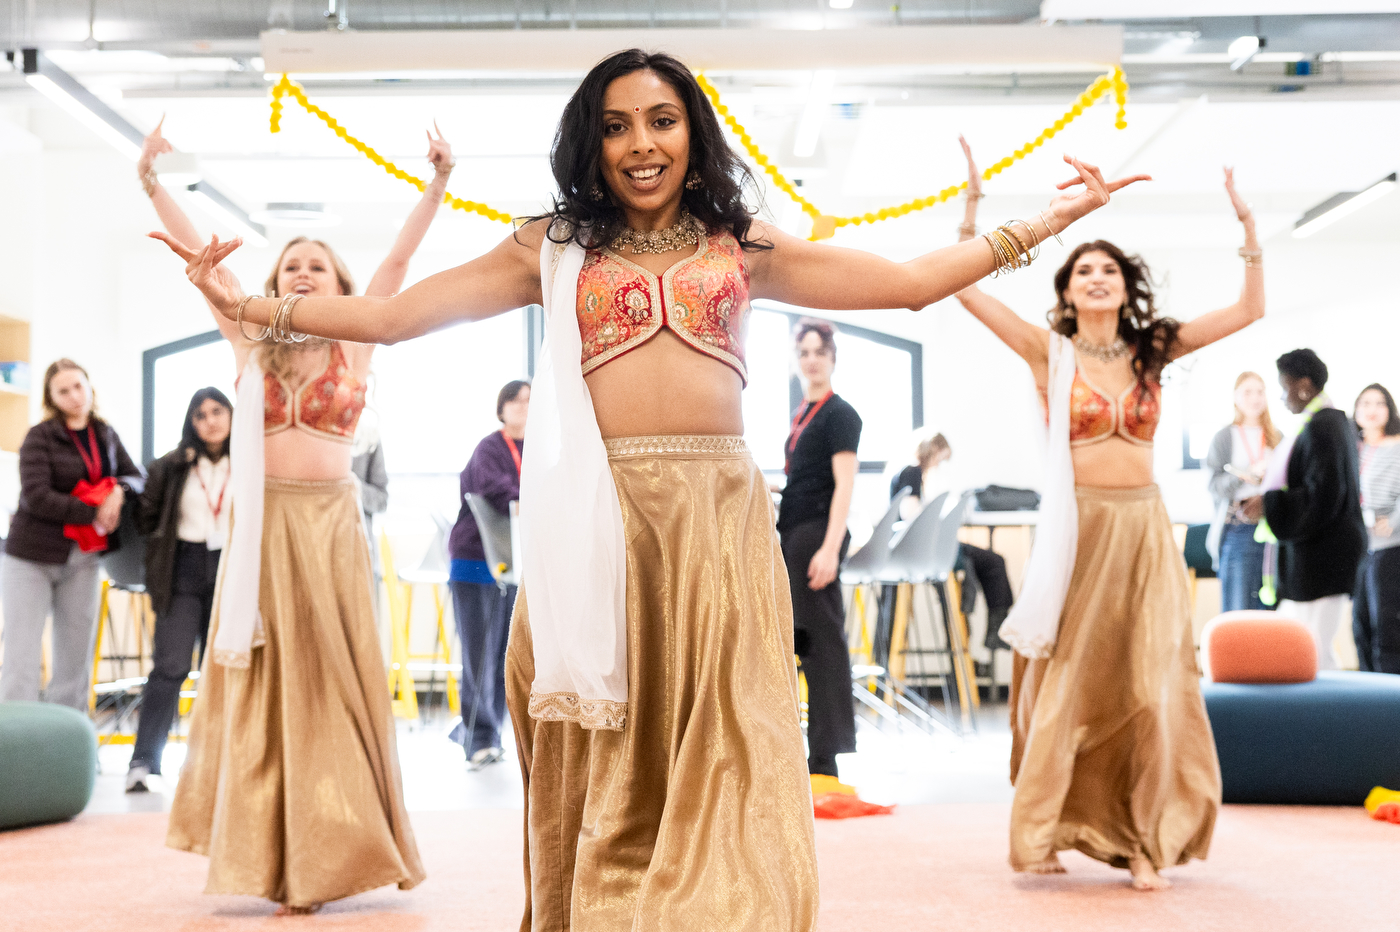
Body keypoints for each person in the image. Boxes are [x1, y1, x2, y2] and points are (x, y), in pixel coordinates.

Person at [158, 48, 1135, 929]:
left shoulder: (739, 243)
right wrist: (244, 301)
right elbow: (394, 314)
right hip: (596, 516)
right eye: (616, 124)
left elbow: (908, 283)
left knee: (730, 727)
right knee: (608, 728)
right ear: (591, 141)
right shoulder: (546, 245)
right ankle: (610, 903)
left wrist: (1041, 223)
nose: (639, 143)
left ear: (690, 131)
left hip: (716, 513)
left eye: (660, 120)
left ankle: (717, 906)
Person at [139, 118, 456, 913]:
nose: (305, 271)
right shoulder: (250, 334)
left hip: (331, 526)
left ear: (340, 283)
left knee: (333, 686)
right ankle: (276, 857)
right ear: (275, 282)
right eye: (291, 265)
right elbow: (201, 255)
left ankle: (334, 849)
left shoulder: (357, 343)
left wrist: (439, 182)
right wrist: (152, 184)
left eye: (318, 263)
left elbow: (398, 261)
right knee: (272, 683)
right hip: (264, 531)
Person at [955, 136, 1261, 890]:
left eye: (1110, 269)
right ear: (1066, 290)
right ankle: (1046, 828)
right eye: (1084, 270)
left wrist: (1249, 231)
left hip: (1146, 529)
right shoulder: (1047, 353)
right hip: (1079, 531)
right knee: (1071, 679)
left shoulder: (1154, 350)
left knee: (1154, 677)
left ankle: (1144, 840)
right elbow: (962, 289)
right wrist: (972, 214)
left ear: (1127, 287)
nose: (1098, 277)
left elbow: (1251, 310)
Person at [0, 360, 144, 710]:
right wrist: (95, 511)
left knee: (75, 661)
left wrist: (119, 491)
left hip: (83, 558)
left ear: (89, 386)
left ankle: (68, 750)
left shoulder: (105, 434)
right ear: (52, 398)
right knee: (22, 658)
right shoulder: (40, 436)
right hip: (30, 558)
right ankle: (14, 751)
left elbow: (138, 476)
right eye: (63, 391)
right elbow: (36, 495)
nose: (74, 396)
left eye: (78, 386)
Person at [126, 388, 232, 793]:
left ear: (230, 414)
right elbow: (146, 517)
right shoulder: (172, 466)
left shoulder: (249, 462)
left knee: (222, 668)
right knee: (170, 665)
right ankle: (144, 762)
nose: (210, 421)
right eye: (200, 414)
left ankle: (216, 764)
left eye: (217, 411)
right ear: (191, 422)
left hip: (230, 567)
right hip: (182, 568)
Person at [1241, 350, 1366, 671]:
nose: (1281, 398)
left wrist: (1269, 503)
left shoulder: (1325, 427)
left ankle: (1325, 720)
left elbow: (1323, 495)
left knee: (1314, 652)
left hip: (1325, 558)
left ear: (1304, 386)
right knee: (1301, 648)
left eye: (1284, 387)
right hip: (1316, 557)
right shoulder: (1320, 423)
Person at [776, 319, 860, 786]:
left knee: (822, 641)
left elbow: (844, 485)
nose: (812, 359)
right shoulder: (803, 412)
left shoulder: (839, 414)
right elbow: (802, 480)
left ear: (832, 359)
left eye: (819, 352)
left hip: (816, 535)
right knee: (803, 640)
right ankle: (815, 750)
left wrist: (830, 547)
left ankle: (826, 755)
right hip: (796, 530)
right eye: (804, 352)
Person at [447, 379, 529, 768]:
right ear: (502, 409)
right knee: (480, 652)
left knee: (502, 654)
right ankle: (477, 736)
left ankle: (486, 731)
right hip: (476, 562)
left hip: (514, 565)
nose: (525, 407)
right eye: (516, 401)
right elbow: (501, 492)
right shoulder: (490, 448)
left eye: (532, 401)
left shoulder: (539, 448)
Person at [889, 433, 1016, 651]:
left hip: (917, 550)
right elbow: (910, 514)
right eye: (941, 460)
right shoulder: (912, 472)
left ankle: (979, 635)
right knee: (993, 562)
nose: (939, 466)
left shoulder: (906, 473)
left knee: (987, 562)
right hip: (920, 553)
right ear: (934, 452)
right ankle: (990, 633)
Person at [1206, 372, 1282, 612]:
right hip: (1238, 527)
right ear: (1235, 397)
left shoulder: (1277, 436)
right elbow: (1214, 486)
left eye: (1260, 391)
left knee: (1270, 609)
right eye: (1248, 392)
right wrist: (1245, 474)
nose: (1255, 398)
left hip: (1272, 527)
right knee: (1239, 608)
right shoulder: (1224, 437)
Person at [1352, 383, 1400, 674]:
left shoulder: (1397, 446)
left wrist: (1394, 521)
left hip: (1389, 545)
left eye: (1379, 403)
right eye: (1365, 403)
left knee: (1385, 624)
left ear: (1389, 409)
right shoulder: (1351, 447)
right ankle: (1367, 691)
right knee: (1360, 625)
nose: (1371, 410)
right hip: (1359, 544)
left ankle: (1389, 695)